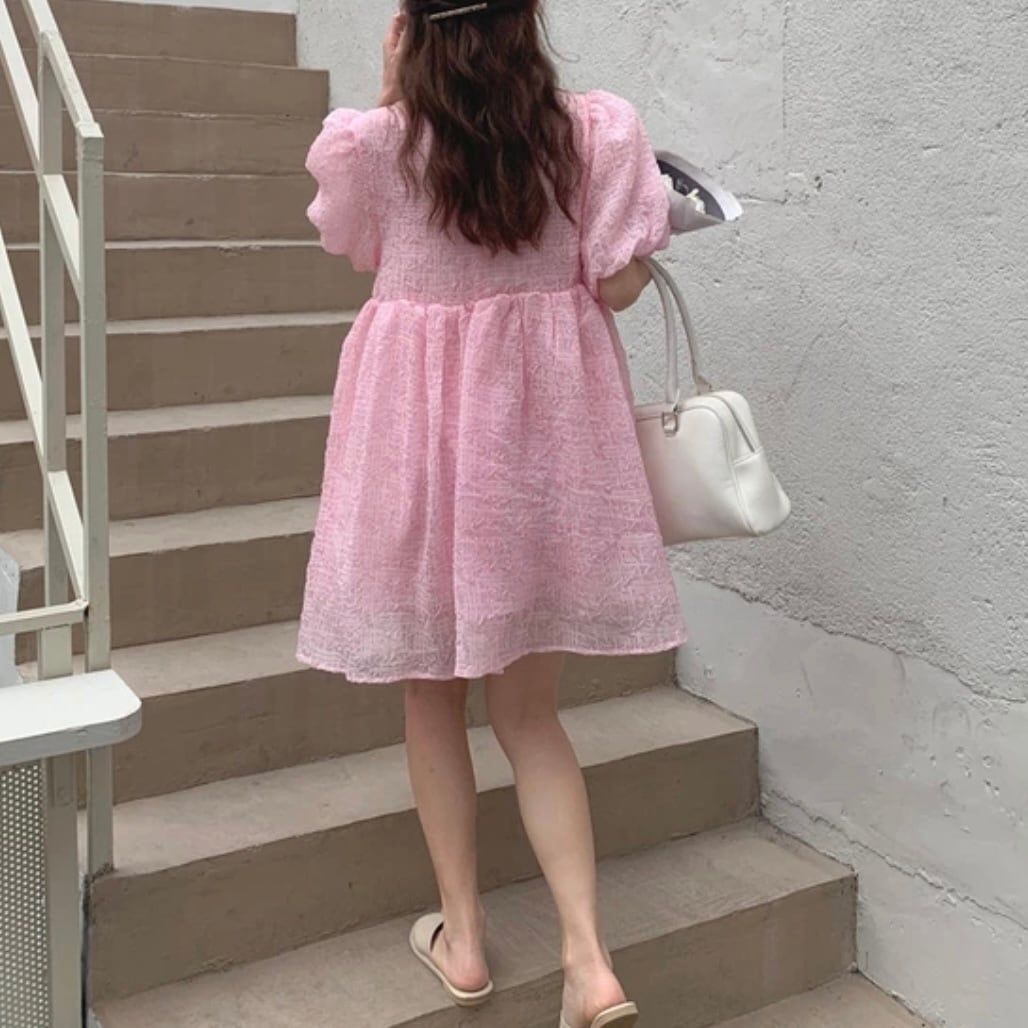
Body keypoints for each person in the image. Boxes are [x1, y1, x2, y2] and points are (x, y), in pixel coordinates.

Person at [296, 2, 687, 1025]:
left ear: (413, 30)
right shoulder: (590, 132)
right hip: (534, 455)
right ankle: (588, 961)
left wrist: (393, 96)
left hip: (416, 455)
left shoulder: (373, 144)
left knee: (432, 703)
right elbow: (618, 283)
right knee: (530, 714)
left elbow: (351, 238)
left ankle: (464, 940)